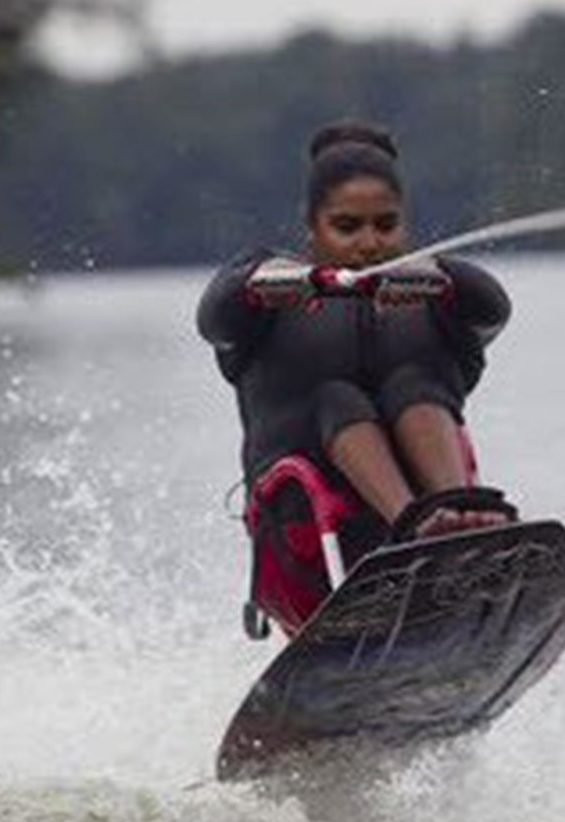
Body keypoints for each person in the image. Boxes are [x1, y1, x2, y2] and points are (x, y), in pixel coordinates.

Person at [197, 120, 512, 542]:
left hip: (441, 519)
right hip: (303, 540)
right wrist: (261, 281)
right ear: (312, 225)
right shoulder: (265, 299)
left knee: (413, 383)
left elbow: (493, 309)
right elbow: (213, 320)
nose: (369, 244)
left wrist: (440, 275)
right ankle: (414, 529)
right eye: (347, 227)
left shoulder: (437, 297)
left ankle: (457, 519)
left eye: (386, 225)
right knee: (337, 398)